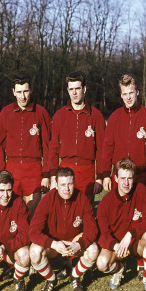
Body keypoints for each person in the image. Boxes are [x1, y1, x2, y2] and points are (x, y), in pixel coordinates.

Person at [101, 73, 146, 277]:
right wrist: (106, 174)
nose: (128, 97)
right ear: (121, 94)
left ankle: (141, 257)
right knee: (121, 218)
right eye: (124, 94)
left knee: (140, 217)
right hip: (119, 177)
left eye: (131, 93)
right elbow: (107, 147)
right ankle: (122, 255)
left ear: (137, 92)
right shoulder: (115, 117)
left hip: (141, 177)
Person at [29, 167, 99, 291]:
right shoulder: (47, 200)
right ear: (56, 185)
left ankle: (75, 276)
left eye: (70, 184)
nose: (67, 189)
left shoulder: (82, 198)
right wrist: (53, 244)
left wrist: (79, 244)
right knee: (34, 252)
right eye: (62, 185)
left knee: (94, 249)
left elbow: (92, 229)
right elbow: (33, 231)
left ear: (74, 183)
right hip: (54, 245)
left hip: (74, 243)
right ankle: (51, 279)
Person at [96, 158, 146, 291]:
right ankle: (119, 270)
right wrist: (116, 245)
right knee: (101, 263)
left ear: (134, 178)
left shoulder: (141, 190)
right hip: (117, 247)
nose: (126, 183)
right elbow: (103, 234)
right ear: (115, 178)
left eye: (129, 178)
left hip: (135, 243)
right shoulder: (106, 202)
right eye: (122, 178)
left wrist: (130, 234)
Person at [0, 75, 52, 220]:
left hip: (33, 169)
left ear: (31, 90)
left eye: (25, 91)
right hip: (11, 168)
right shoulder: (6, 113)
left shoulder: (41, 113)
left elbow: (48, 147)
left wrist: (46, 175)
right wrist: (1, 172)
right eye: (19, 92)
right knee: (12, 215)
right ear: (13, 92)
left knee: (32, 216)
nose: (23, 96)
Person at [49, 71, 106, 203]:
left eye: (77, 89)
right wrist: (53, 177)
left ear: (84, 89)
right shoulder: (59, 115)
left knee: (86, 215)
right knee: (65, 214)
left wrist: (100, 177)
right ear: (67, 90)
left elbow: (101, 149)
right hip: (65, 171)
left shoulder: (96, 115)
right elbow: (53, 148)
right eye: (71, 89)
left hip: (87, 172)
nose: (74, 93)